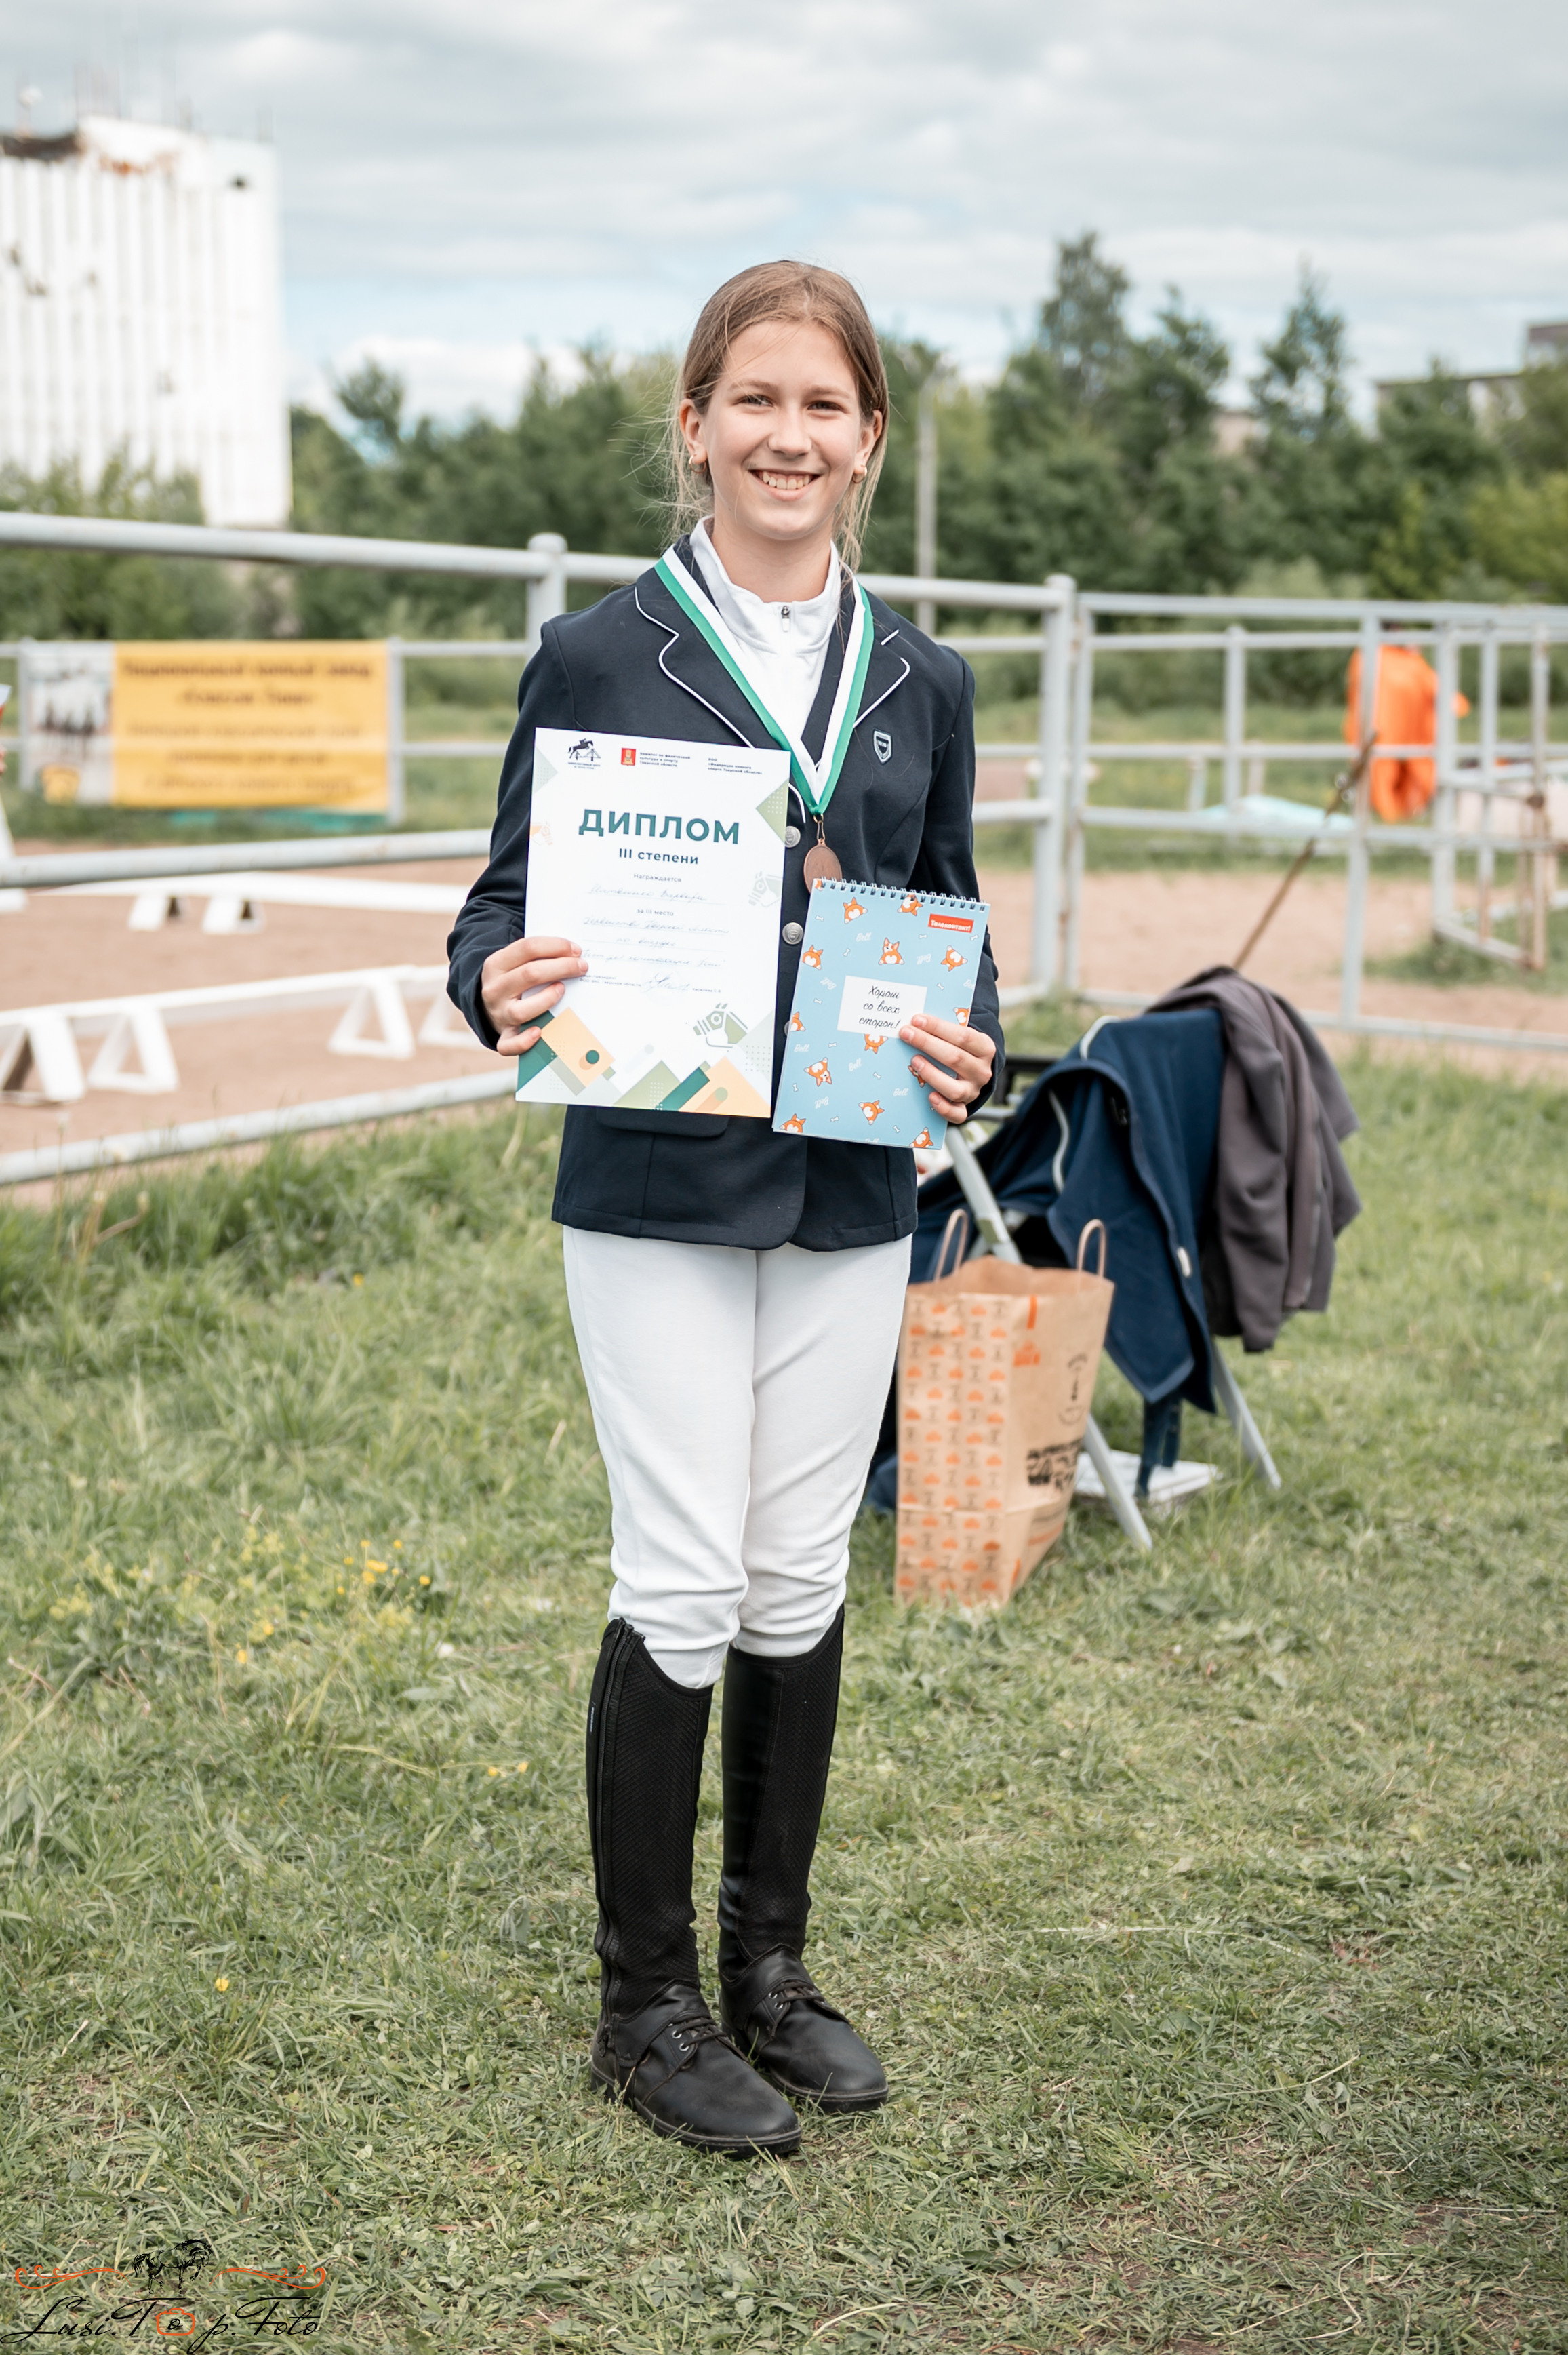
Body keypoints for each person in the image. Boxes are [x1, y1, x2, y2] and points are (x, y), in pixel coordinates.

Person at [447, 260, 1003, 2156]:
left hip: (851, 1172)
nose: (788, 434)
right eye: (751, 399)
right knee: (678, 1573)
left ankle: (769, 1974)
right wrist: (498, 980)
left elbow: (947, 913)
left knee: (797, 1569)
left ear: (866, 442)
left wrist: (965, 1044)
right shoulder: (606, 653)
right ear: (693, 424)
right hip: (660, 1172)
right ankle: (649, 2005)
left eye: (824, 407)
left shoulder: (925, 676)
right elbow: (496, 902)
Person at [1343, 642, 1469, 823]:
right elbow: (1452, 701)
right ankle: (1398, 815)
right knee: (1406, 770)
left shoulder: (1364, 657)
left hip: (1378, 731)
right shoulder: (1411, 662)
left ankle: (1388, 816)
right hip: (1407, 733)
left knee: (1380, 771)